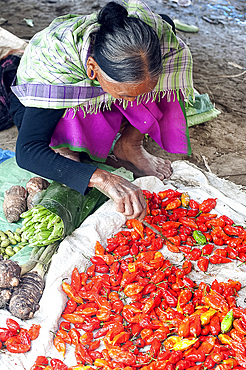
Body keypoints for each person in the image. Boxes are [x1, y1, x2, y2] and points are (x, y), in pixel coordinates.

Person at [10, 0, 193, 221]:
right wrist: (102, 178)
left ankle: (129, 145)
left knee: (163, 77)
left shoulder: (154, 34)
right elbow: (27, 151)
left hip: (103, 91)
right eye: (125, 95)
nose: (139, 103)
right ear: (92, 68)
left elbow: (166, 22)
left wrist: (131, 111)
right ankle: (64, 145)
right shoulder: (56, 63)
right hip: (50, 101)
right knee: (58, 156)